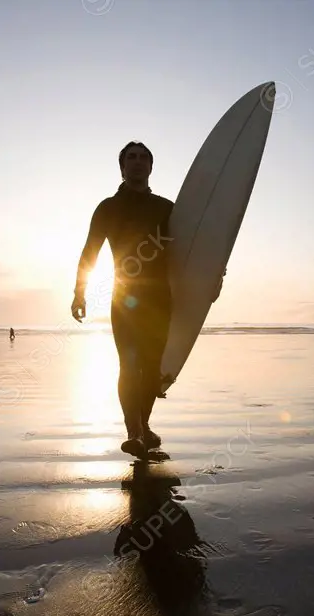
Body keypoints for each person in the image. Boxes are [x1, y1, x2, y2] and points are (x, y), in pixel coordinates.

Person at [73, 141, 221, 457]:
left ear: (151, 167)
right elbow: (90, 251)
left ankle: (144, 425)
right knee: (129, 364)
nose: (138, 162)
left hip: (160, 299)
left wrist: (213, 277)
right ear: (122, 166)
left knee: (152, 368)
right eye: (131, 157)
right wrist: (79, 292)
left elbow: (195, 248)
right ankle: (135, 432)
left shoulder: (167, 209)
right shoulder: (108, 208)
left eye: (144, 158)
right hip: (125, 298)